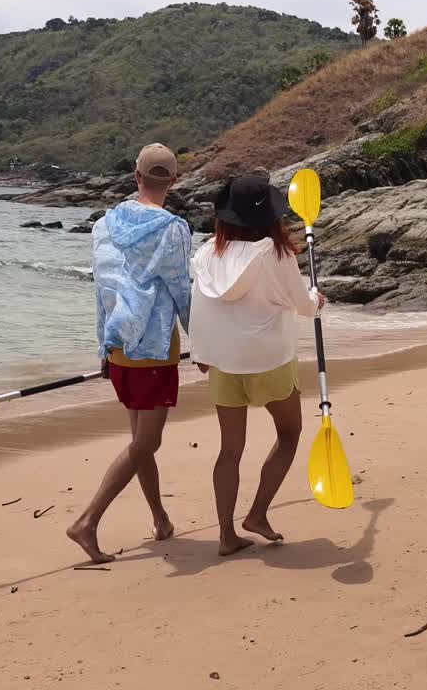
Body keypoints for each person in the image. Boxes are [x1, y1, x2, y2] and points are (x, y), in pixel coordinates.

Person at [66, 143, 193, 564]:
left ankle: (160, 519)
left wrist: (103, 342)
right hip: (154, 349)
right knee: (145, 443)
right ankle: (87, 520)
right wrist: (206, 342)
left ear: (136, 176)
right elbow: (181, 291)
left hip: (119, 346)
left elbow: (102, 289)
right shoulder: (173, 228)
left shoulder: (104, 224)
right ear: (173, 181)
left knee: (141, 442)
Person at [189, 175, 325, 557]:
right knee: (289, 435)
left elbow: (198, 308)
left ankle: (226, 535)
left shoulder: (205, 254)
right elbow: (303, 305)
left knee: (229, 450)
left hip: (223, 365)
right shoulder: (275, 255)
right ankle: (258, 514)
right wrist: (316, 299)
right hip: (268, 362)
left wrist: (201, 353)